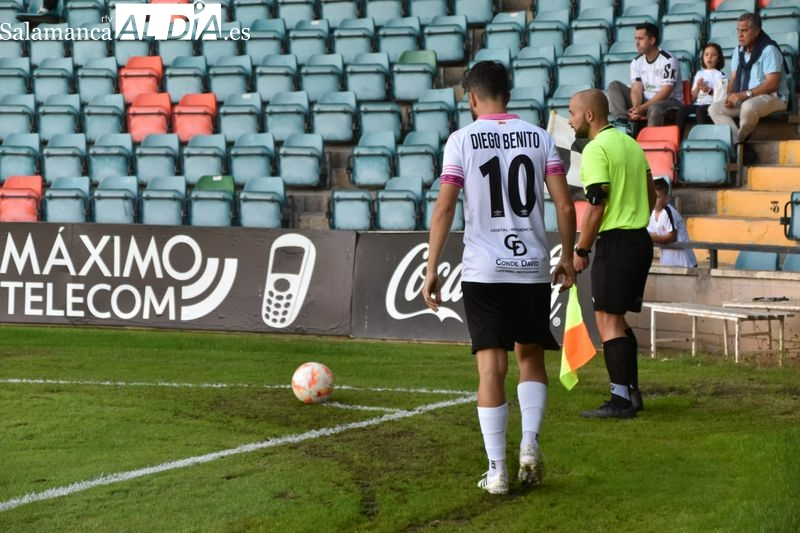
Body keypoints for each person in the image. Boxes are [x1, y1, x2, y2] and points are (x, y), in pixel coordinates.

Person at [423, 61, 576, 495]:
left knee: (491, 367)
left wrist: (432, 268)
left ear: (472, 98)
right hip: (529, 267)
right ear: (507, 94)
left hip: (484, 270)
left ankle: (498, 471)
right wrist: (566, 256)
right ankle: (529, 447)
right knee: (532, 357)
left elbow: (445, 209)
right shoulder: (540, 137)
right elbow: (565, 207)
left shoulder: (461, 140)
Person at [568, 88, 655, 419]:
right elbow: (650, 191)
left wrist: (581, 249)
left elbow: (595, 206)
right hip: (639, 239)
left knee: (606, 319)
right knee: (617, 319)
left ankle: (620, 400)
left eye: (573, 112)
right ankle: (632, 393)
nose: (571, 119)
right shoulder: (631, 143)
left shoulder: (595, 149)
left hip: (616, 242)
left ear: (590, 115)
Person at [708, 12, 789, 165]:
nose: (740, 35)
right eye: (738, 30)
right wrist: (731, 96)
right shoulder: (738, 51)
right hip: (747, 97)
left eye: (744, 31)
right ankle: (741, 144)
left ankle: (738, 142)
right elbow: (733, 79)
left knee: (747, 106)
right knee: (714, 109)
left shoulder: (769, 49)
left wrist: (744, 94)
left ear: (756, 31)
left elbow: (772, 83)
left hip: (774, 97)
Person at [606, 22, 684, 131]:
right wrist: (636, 107)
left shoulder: (669, 60)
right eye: (635, 39)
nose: (637, 43)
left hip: (670, 101)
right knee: (614, 86)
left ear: (652, 40)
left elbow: (666, 91)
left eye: (641, 39)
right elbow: (636, 88)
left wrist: (643, 108)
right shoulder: (636, 61)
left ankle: (651, 141)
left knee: (654, 108)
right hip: (645, 100)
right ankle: (622, 123)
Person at [675, 42, 727, 139]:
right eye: (706, 54)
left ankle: (703, 138)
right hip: (698, 103)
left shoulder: (720, 75)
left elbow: (720, 96)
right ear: (703, 57)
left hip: (711, 104)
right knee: (683, 109)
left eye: (713, 55)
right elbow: (693, 96)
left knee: (700, 110)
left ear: (719, 59)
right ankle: (677, 138)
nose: (709, 57)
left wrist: (708, 90)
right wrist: (698, 87)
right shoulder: (699, 74)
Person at [647, 176, 698, 268]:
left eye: (658, 197)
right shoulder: (652, 214)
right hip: (668, 263)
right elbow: (653, 234)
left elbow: (672, 236)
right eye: (652, 196)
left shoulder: (668, 212)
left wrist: (650, 238)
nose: (654, 200)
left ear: (667, 198)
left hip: (685, 264)